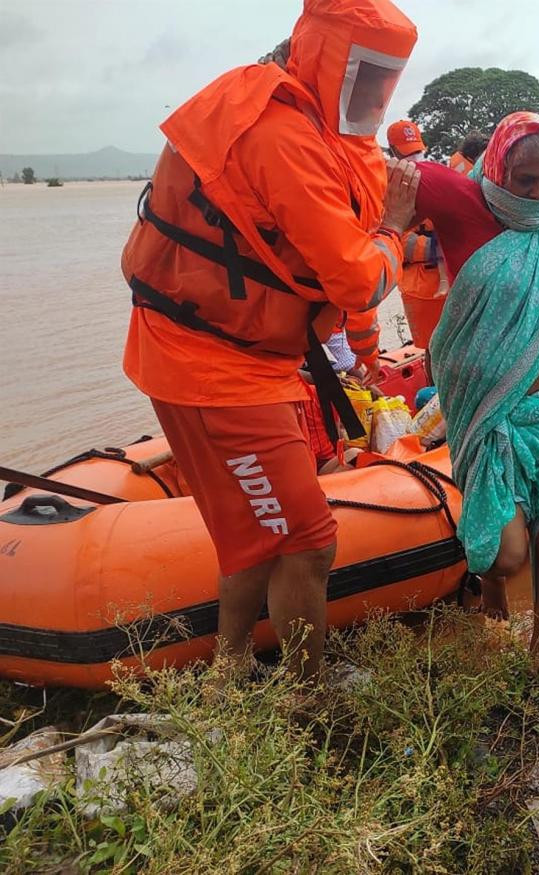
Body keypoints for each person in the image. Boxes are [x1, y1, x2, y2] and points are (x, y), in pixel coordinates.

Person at [120, 0, 419, 681]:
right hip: (217, 368)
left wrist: (368, 355)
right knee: (310, 541)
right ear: (320, 60)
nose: (374, 95)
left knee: (256, 538)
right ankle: (306, 701)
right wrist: (396, 228)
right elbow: (355, 280)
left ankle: (228, 672)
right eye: (364, 76)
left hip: (222, 354)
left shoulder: (275, 113)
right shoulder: (280, 135)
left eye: (383, 79)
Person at [410, 112, 539, 688]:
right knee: (507, 555)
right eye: (526, 180)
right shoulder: (462, 202)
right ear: (496, 166)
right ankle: (491, 592)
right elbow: (368, 172)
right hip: (494, 416)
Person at [386, 119, 448, 348]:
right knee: (430, 348)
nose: (414, 159)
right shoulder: (385, 186)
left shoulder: (436, 177)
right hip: (418, 288)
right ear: (392, 152)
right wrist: (437, 248)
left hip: (448, 283)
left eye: (418, 152)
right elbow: (394, 240)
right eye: (408, 154)